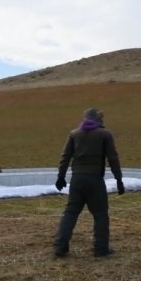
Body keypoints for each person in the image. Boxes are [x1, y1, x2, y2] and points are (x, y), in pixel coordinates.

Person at [53, 108, 125, 258]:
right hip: (95, 180)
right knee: (100, 214)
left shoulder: (74, 134)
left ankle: (60, 246)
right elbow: (113, 158)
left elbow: (65, 157)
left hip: (77, 180)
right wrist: (119, 179)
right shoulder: (105, 134)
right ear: (98, 120)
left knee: (71, 212)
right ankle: (100, 249)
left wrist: (61, 176)